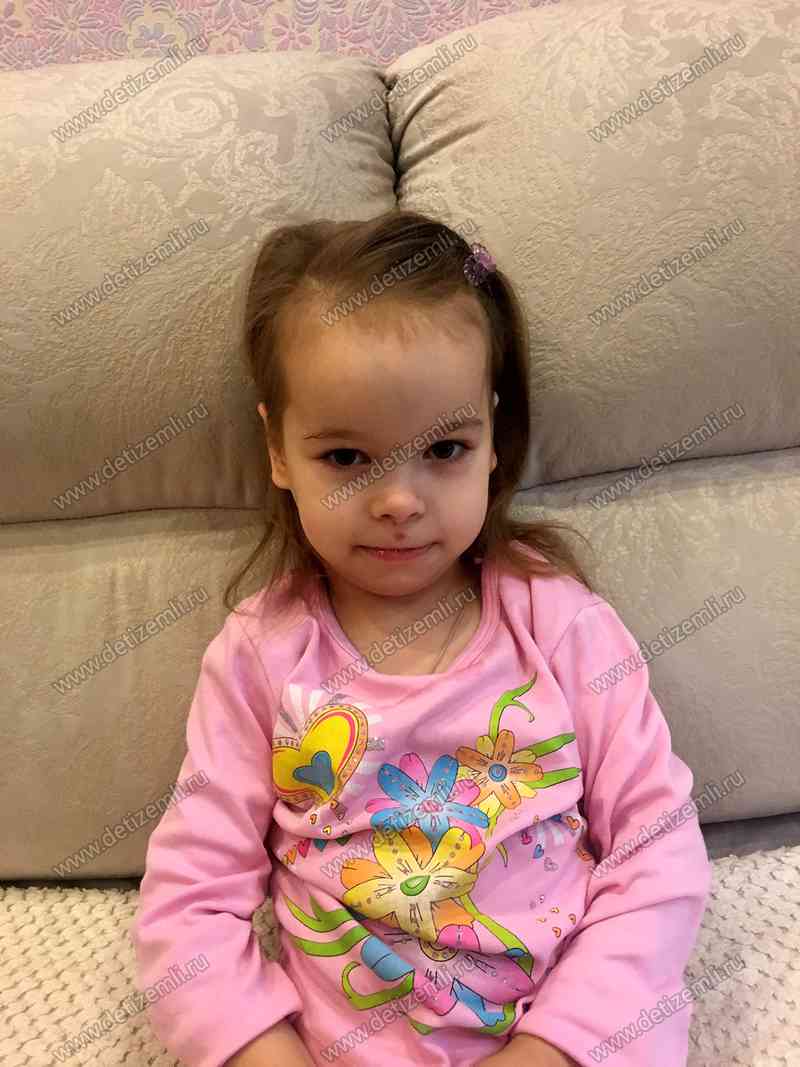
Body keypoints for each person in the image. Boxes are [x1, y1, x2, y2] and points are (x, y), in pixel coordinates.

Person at [131, 209, 712, 1067]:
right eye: (346, 458)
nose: (399, 500)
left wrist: (555, 1047)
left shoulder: (562, 625)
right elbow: (188, 904)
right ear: (278, 450)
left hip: (573, 1037)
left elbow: (658, 851)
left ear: (492, 441)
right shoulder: (263, 653)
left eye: (443, 448)